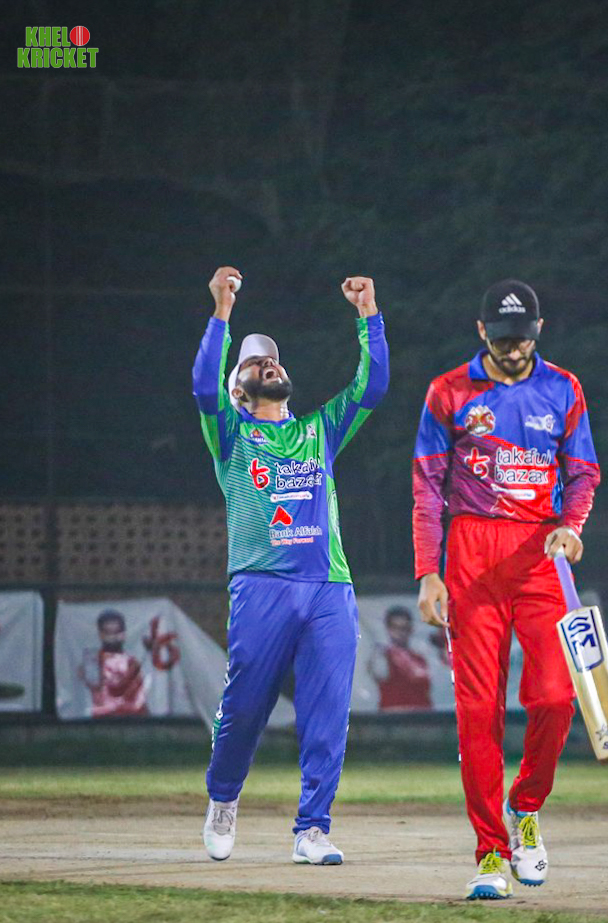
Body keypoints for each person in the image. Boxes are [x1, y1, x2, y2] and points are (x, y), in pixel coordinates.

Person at [193, 266, 389, 865]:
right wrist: (222, 312)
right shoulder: (230, 434)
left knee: (327, 712)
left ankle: (312, 829)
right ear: (238, 390)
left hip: (329, 586)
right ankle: (223, 797)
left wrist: (369, 316)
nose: (268, 364)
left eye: (273, 360)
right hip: (261, 584)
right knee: (246, 706)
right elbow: (203, 384)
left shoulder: (318, 431)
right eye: (254, 363)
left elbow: (372, 386)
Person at [413, 279, 600, 899]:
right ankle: (491, 852)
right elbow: (426, 487)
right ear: (481, 332)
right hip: (470, 553)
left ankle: (526, 806)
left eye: (521, 338)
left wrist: (571, 527)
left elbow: (583, 471)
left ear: (538, 331)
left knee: (555, 697)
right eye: (501, 338)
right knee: (477, 711)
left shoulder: (564, 388)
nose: (512, 349)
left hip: (540, 554)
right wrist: (429, 570)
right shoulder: (448, 391)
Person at [78, 610, 148, 718]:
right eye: (108, 632)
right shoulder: (93, 663)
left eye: (117, 631)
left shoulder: (132, 663)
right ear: (101, 634)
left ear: (124, 634)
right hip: (100, 721)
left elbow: (140, 701)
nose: (113, 636)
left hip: (129, 720)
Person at [368, 605, 432, 711]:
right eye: (395, 627)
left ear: (411, 629)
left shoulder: (419, 659)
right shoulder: (383, 657)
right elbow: (378, 671)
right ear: (388, 629)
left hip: (422, 717)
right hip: (394, 717)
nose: (400, 632)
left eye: (404, 628)